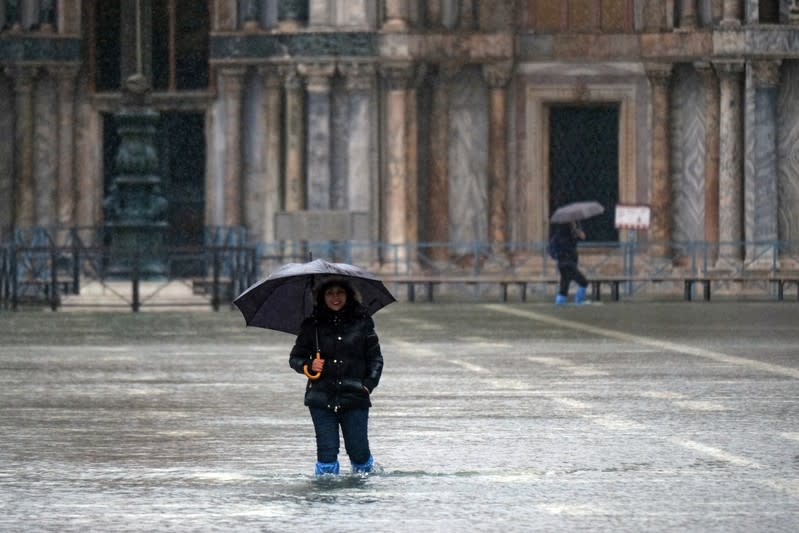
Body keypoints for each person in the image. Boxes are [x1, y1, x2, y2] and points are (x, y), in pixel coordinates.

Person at [289, 278, 384, 476]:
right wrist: (308, 364)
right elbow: (295, 358)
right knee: (326, 454)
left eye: (339, 293)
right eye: (330, 293)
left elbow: (375, 359)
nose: (335, 298)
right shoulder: (311, 326)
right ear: (322, 297)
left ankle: (360, 497)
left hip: (355, 397)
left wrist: (367, 385)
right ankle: (326, 501)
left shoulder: (363, 323)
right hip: (321, 398)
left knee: (359, 453)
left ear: (348, 295)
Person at [552, 221, 589, 304]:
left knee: (564, 285)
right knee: (583, 282)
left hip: (562, 263)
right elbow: (569, 245)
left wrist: (577, 231)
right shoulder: (566, 233)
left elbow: (582, 237)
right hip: (568, 263)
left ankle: (559, 303)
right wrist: (576, 231)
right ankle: (579, 301)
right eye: (573, 221)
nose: (575, 222)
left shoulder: (564, 232)